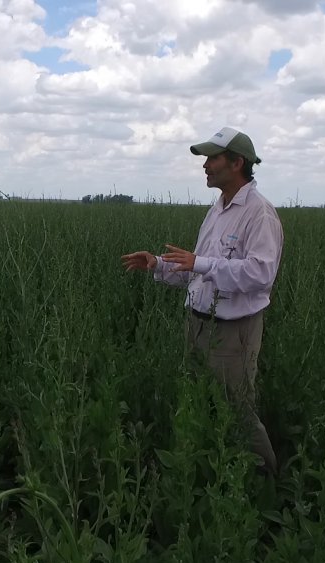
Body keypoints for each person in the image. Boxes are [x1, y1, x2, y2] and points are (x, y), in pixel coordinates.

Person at [121, 126, 284, 474]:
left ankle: (267, 482)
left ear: (237, 162)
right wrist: (159, 265)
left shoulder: (260, 213)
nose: (206, 165)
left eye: (213, 158)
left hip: (232, 332)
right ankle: (215, 475)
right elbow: (201, 269)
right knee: (201, 404)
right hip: (197, 324)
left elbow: (261, 274)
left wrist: (201, 263)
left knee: (238, 410)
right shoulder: (218, 210)